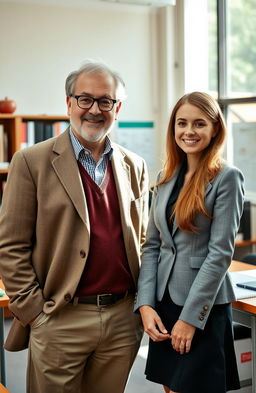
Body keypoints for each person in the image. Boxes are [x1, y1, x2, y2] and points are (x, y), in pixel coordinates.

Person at [0, 61, 149, 393]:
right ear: (69, 103)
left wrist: (140, 306)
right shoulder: (30, 162)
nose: (94, 109)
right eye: (85, 99)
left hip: (122, 319)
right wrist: (34, 311)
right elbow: (11, 246)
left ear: (117, 108)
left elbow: (141, 238)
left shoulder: (134, 165)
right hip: (60, 317)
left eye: (105, 101)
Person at [134, 91, 244, 393]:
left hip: (201, 309)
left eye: (199, 124)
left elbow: (220, 254)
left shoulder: (227, 178)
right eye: (181, 123)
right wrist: (145, 303)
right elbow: (152, 246)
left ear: (215, 129)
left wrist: (191, 320)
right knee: (170, 387)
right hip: (164, 304)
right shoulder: (165, 178)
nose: (189, 131)